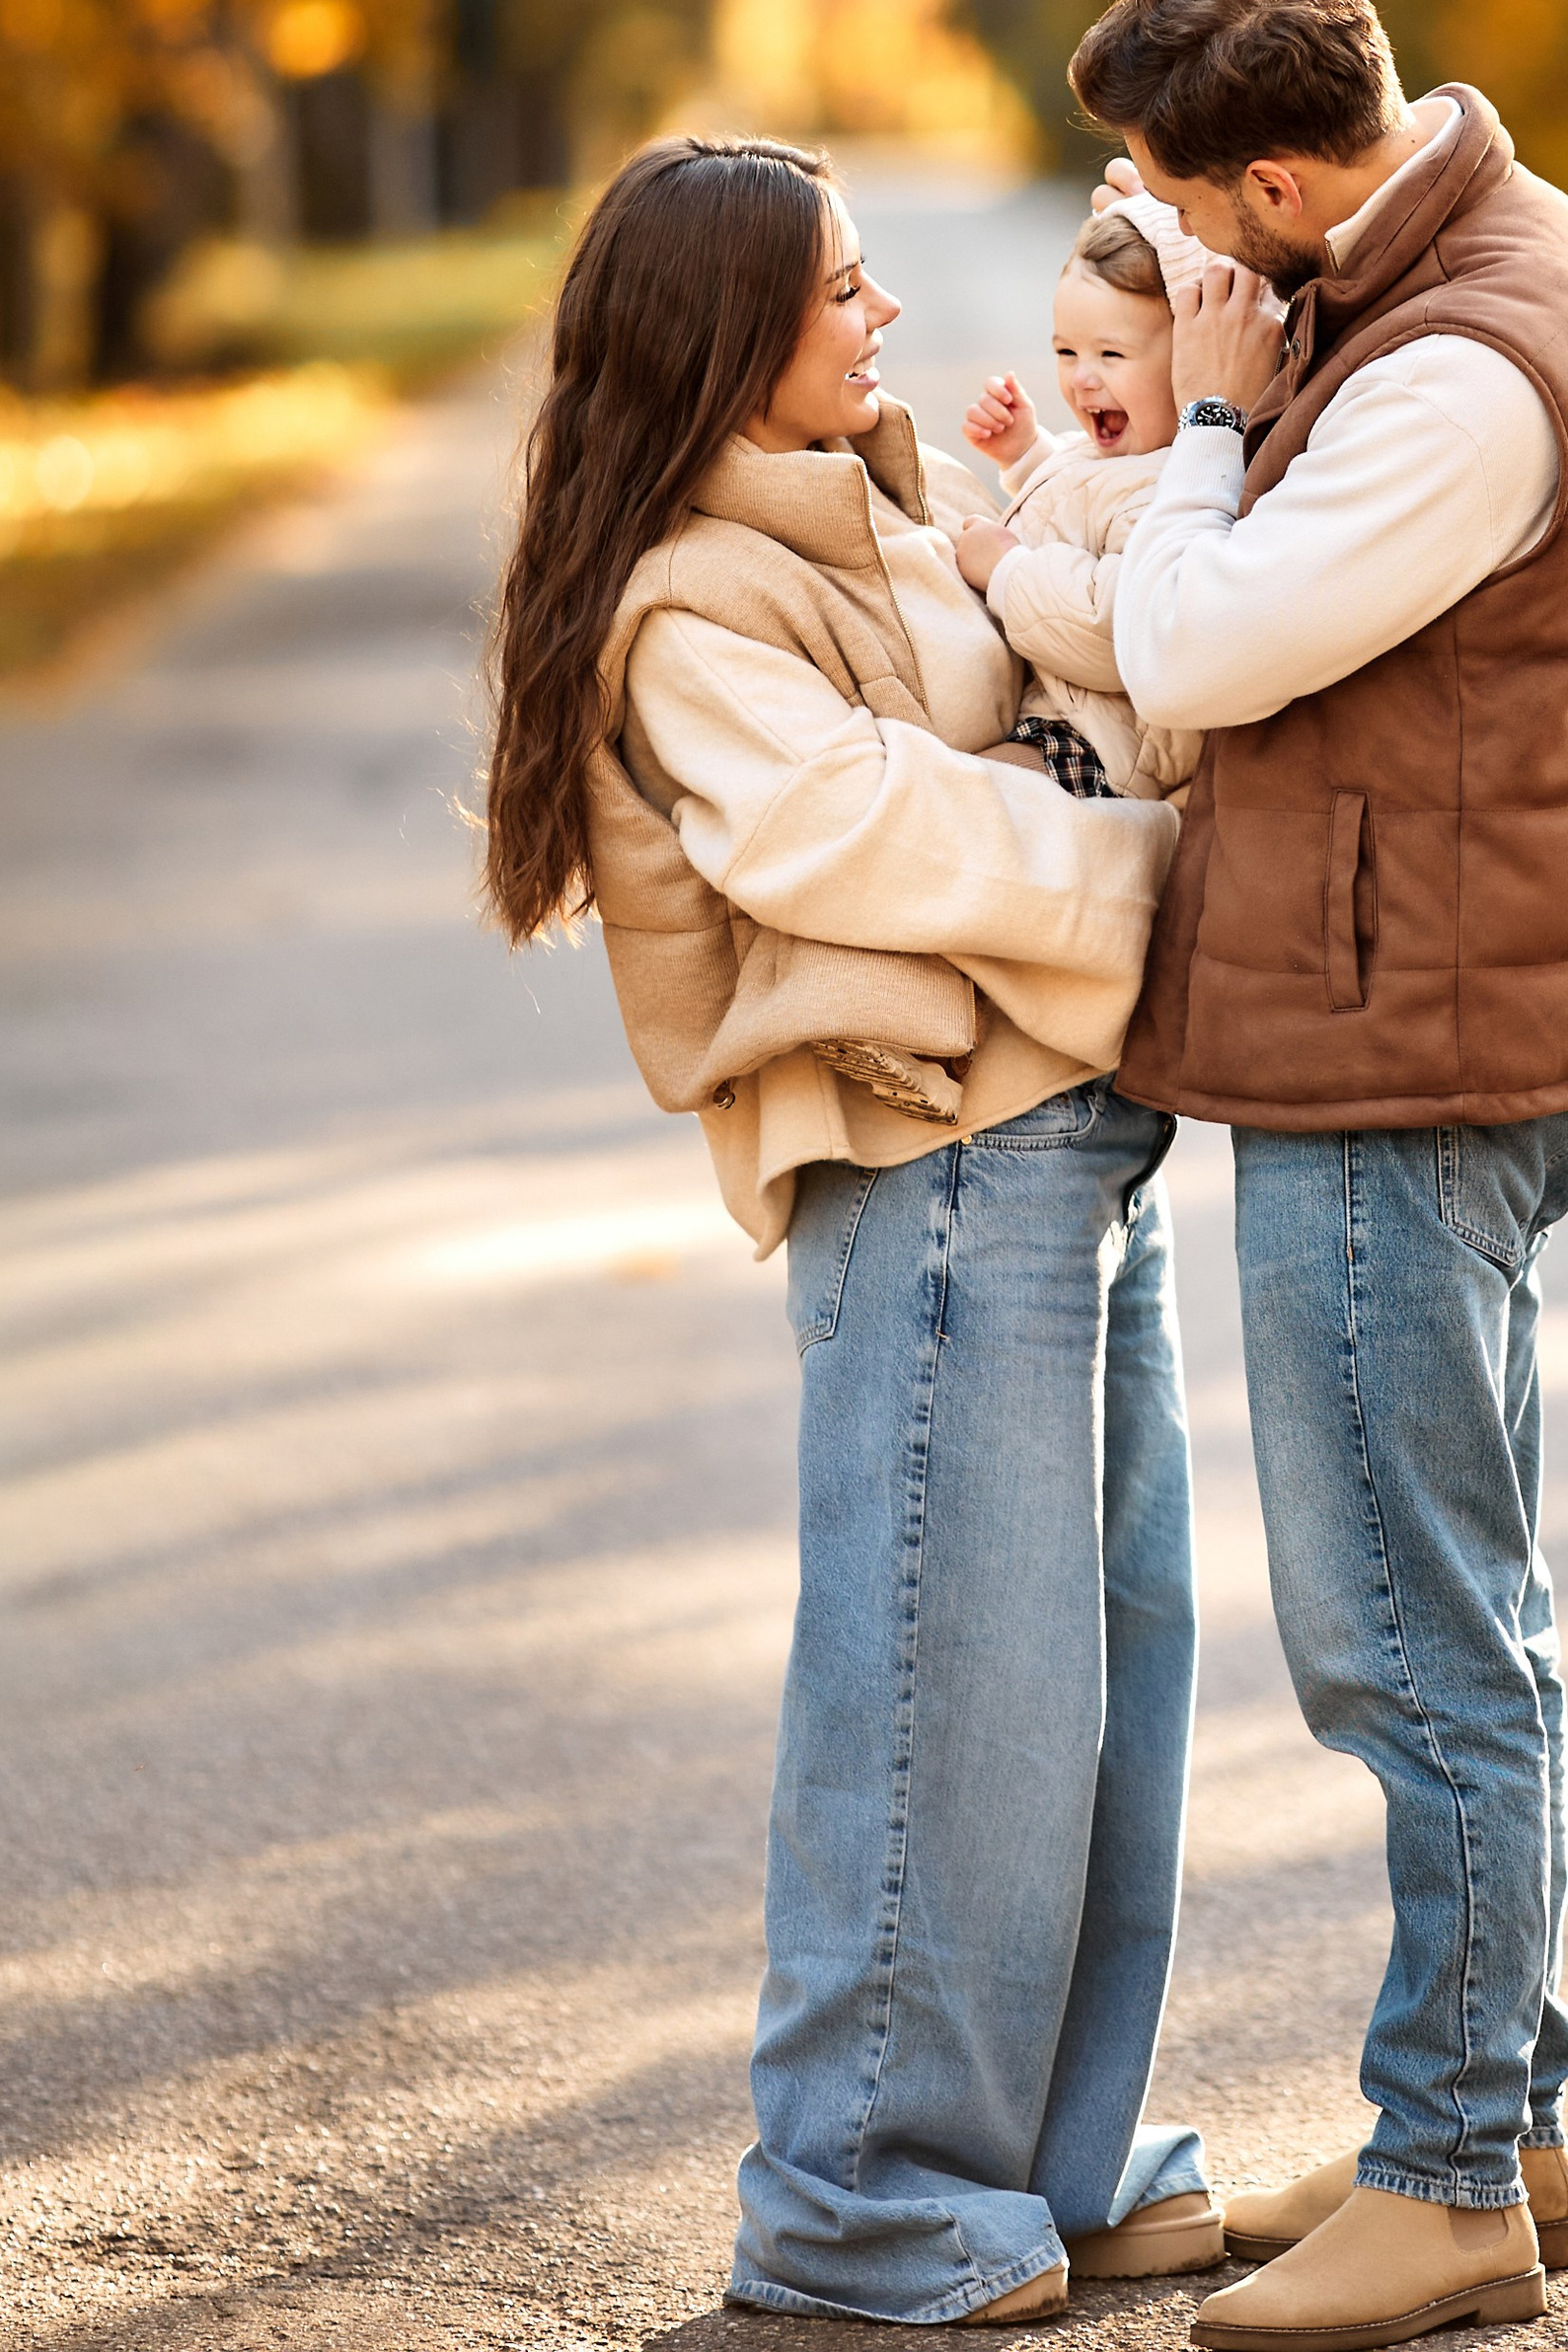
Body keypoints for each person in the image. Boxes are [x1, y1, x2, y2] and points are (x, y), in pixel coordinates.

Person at [481, 133, 1226, 2326]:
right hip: (934, 1167)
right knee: (939, 1697)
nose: (884, 316)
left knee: (1103, 1682)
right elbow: (873, 837)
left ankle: (1048, 2157)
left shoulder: (886, 512)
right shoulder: (686, 606)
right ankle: (859, 2188)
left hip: (1070, 1140)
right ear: (727, 337)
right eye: (842, 289)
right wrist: (1178, 868)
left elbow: (1078, 703)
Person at [1066, 0, 1568, 2352]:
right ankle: (1492, 2107)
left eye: (1163, 193)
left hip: (1399, 1050)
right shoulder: (1422, 257)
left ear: (1275, 172)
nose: (1161, 240)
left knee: (1405, 1632)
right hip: (1420, 1012)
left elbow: (1196, 652)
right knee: (1459, 1595)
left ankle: (1443, 2180)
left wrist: (1205, 434)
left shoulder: (1457, 363)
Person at [951, 190, 1205, 803]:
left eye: (1111, 354)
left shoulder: (1175, 490)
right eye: (1066, 351)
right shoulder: (1125, 457)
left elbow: (1114, 628)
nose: (1082, 377)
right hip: (1059, 718)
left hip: (1101, 754)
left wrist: (1007, 569)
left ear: (1192, 360)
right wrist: (1028, 453)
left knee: (964, 804)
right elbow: (1081, 508)